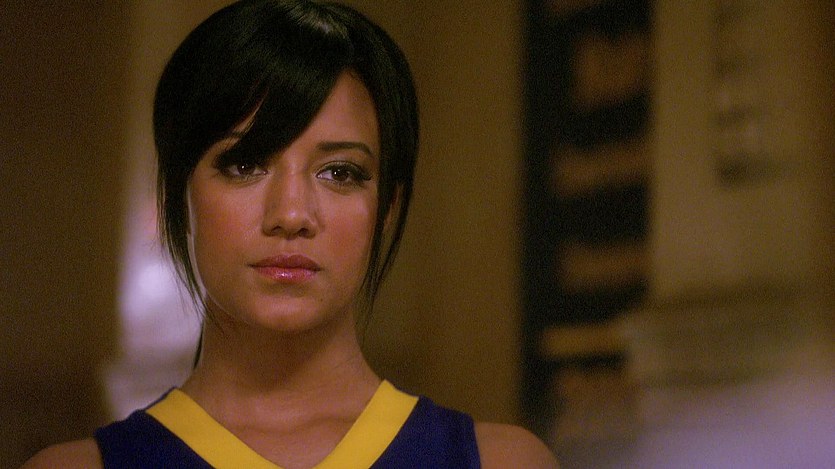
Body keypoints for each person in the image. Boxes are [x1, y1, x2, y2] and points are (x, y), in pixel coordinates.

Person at [23, 1, 557, 467]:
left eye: (340, 172)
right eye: (245, 164)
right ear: (177, 196)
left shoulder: (500, 461)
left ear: (388, 209)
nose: (292, 213)